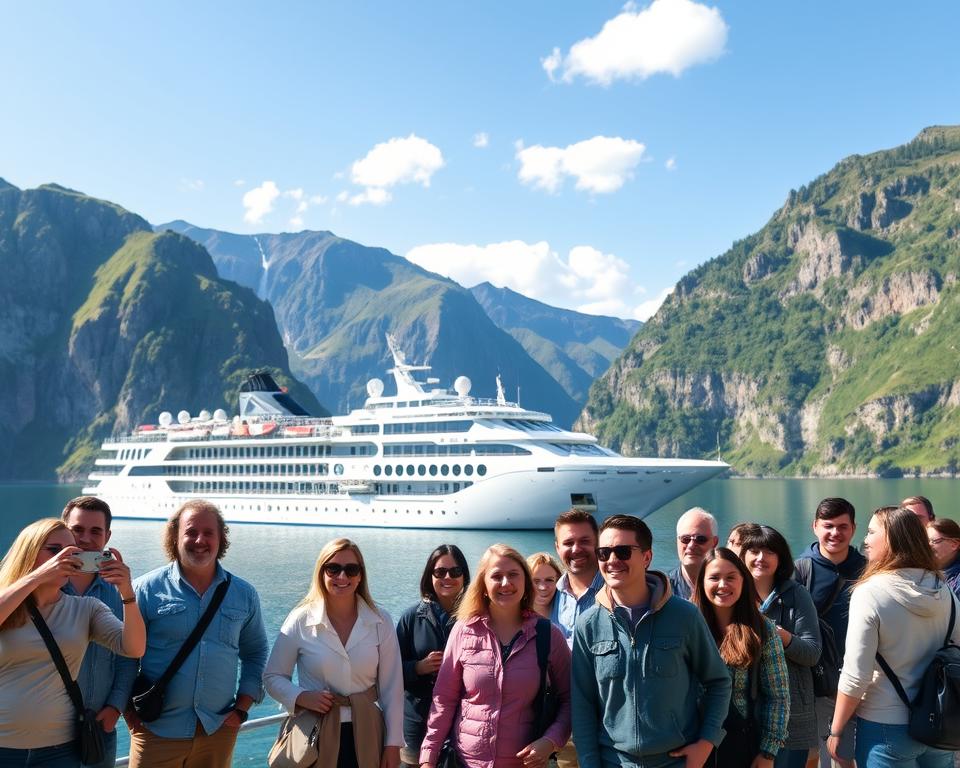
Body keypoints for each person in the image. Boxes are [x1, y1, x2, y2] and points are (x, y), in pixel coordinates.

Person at [572, 515, 732, 768]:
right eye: (604, 553)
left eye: (623, 551)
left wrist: (706, 742)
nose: (613, 560)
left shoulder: (685, 616)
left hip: (676, 762)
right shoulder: (588, 625)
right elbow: (582, 704)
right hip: (614, 762)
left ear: (647, 557)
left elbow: (719, 682)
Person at [125, 500, 268, 768]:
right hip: (156, 730)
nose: (199, 540)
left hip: (218, 729)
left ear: (221, 538)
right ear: (175, 537)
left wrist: (241, 709)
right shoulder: (145, 590)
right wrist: (129, 713)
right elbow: (125, 656)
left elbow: (256, 652)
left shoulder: (244, 594)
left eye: (208, 533)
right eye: (190, 532)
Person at [0, 518, 145, 768]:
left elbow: (134, 648)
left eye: (73, 552)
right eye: (55, 551)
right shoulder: (7, 601)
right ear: (29, 553)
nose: (64, 558)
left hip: (59, 749)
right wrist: (37, 577)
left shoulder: (86, 609)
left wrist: (127, 593)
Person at [827, 506, 960, 768]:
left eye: (871, 531)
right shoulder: (945, 591)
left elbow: (856, 675)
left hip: (885, 726)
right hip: (938, 725)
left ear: (891, 539)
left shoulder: (870, 593)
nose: (865, 540)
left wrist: (836, 729)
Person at [419, 544, 571, 768]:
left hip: (523, 763)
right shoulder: (463, 631)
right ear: (483, 585)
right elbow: (444, 700)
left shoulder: (548, 635)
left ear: (525, 582)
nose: (505, 583)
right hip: (465, 762)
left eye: (513, 575)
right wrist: (427, 759)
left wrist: (550, 741)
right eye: (496, 576)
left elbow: (571, 698)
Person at [264, 538, 404, 768]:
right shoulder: (300, 619)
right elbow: (272, 677)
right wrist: (301, 697)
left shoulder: (381, 620)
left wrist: (393, 744)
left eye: (351, 569)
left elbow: (392, 687)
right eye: (333, 568)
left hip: (368, 731)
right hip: (313, 732)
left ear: (360, 576)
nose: (342, 577)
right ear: (321, 573)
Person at [60, 496, 139, 768]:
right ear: (63, 529)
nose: (85, 539)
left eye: (95, 531)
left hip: (100, 724)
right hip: (48, 729)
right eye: (77, 530)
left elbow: (129, 657)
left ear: (107, 536)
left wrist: (115, 707)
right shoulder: (45, 588)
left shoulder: (119, 592)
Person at [694, 547, 790, 768]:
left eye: (730, 578)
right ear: (702, 583)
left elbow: (778, 695)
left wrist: (768, 752)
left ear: (743, 581)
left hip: (739, 742)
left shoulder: (761, 629)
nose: (722, 585)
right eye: (714, 578)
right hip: (692, 739)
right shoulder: (687, 626)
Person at [794, 497, 866, 768]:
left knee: (856, 755)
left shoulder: (868, 568)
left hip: (863, 679)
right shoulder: (800, 570)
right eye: (828, 526)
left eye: (842, 526)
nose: (835, 533)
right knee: (821, 755)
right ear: (815, 526)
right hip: (817, 681)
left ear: (853, 529)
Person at [741, 526, 821, 768]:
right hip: (743, 709)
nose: (760, 558)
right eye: (754, 551)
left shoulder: (796, 595)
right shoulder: (733, 593)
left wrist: (779, 636)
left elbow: (812, 653)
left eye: (769, 552)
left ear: (781, 558)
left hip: (791, 713)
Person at [396, 545, 470, 766]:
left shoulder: (476, 618)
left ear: (464, 576)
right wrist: (418, 668)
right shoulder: (411, 618)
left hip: (463, 724)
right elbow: (389, 672)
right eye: (440, 572)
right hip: (417, 724)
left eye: (455, 572)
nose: (447, 577)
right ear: (430, 576)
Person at [551, 509, 604, 647]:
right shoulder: (549, 594)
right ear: (557, 547)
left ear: (598, 543)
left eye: (584, 541)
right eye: (568, 543)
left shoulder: (617, 592)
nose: (576, 549)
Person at [670, 507, 720, 600]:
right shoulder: (663, 592)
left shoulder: (726, 589)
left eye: (700, 539)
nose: (691, 545)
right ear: (677, 541)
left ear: (714, 543)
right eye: (685, 539)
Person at [926, 518, 960, 597]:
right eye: (926, 541)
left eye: (933, 541)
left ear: (954, 544)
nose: (927, 546)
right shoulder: (921, 571)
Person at [527, 552, 562, 620]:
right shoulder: (514, 616)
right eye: (536, 581)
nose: (543, 587)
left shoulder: (569, 613)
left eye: (549, 580)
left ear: (559, 581)